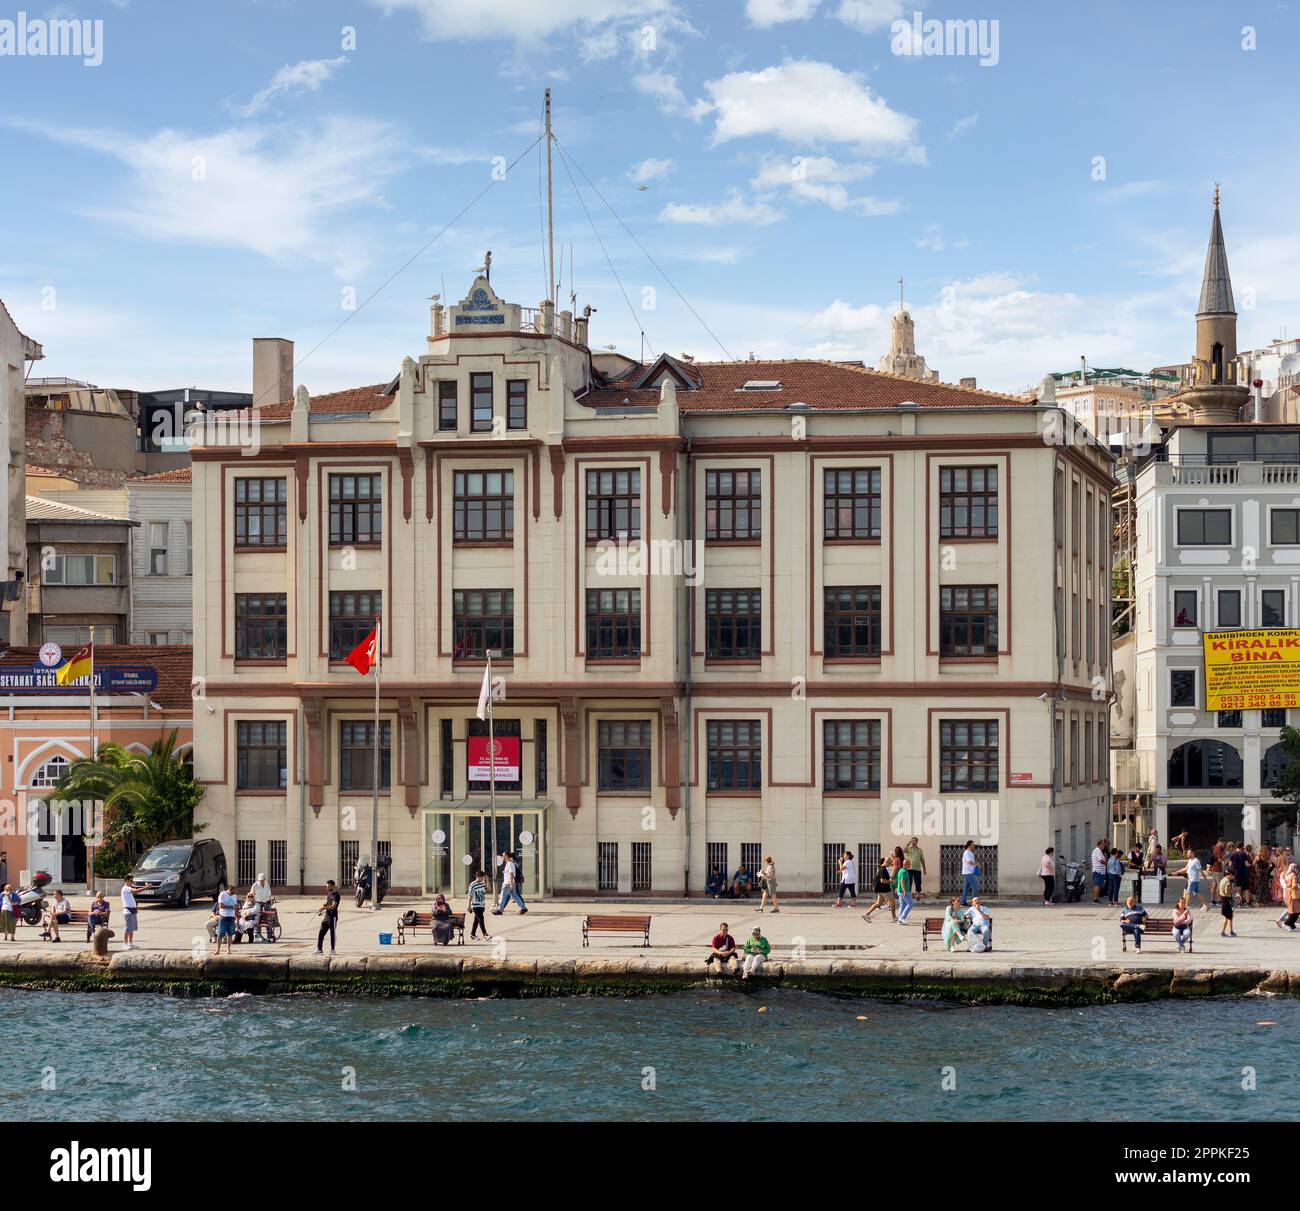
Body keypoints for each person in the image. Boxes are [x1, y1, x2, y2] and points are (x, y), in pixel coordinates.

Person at [491, 850, 528, 915]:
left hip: (507, 883)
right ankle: (523, 907)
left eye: (503, 855)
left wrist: (510, 884)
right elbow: (510, 873)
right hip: (510, 882)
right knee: (515, 895)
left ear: (507, 856)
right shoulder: (510, 863)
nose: (502, 856)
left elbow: (511, 874)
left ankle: (500, 909)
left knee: (503, 896)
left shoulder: (509, 864)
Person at [862, 855, 896, 922]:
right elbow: (882, 880)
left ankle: (866, 914)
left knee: (879, 903)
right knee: (892, 902)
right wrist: (891, 881)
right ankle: (894, 917)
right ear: (886, 862)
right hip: (884, 888)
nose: (890, 865)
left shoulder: (882, 868)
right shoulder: (883, 869)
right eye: (889, 863)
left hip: (881, 889)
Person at [316, 879, 341, 954]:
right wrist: (323, 906)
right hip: (327, 916)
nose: (327, 888)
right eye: (326, 886)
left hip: (333, 917)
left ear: (333, 886)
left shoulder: (337, 895)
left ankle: (332, 950)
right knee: (321, 932)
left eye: (328, 886)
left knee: (332, 933)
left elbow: (333, 906)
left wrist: (324, 908)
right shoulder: (329, 894)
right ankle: (319, 949)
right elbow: (328, 903)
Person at [213, 882, 239, 953]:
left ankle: (228, 949)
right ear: (229, 890)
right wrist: (231, 906)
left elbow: (235, 906)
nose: (234, 893)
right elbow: (221, 906)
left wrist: (237, 917)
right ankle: (218, 950)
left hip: (231, 917)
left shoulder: (234, 896)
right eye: (233, 891)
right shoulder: (223, 894)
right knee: (220, 934)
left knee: (230, 934)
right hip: (223, 916)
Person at [467, 869, 491, 940]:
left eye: (483, 877)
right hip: (475, 905)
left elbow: (489, 889)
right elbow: (470, 895)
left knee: (476, 920)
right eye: (482, 877)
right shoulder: (472, 885)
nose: (482, 878)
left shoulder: (482, 884)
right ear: (478, 876)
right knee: (481, 918)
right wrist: (468, 906)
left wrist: (487, 880)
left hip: (482, 905)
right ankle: (485, 934)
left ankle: (472, 934)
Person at [904, 837, 927, 902]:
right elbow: (903, 850)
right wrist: (908, 844)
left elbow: (922, 859)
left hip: (917, 869)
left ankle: (918, 895)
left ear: (917, 842)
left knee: (918, 882)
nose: (913, 842)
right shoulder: (908, 848)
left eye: (914, 840)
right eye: (912, 840)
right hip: (909, 868)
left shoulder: (920, 850)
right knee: (909, 882)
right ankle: (908, 895)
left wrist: (924, 869)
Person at [1278, 864, 1300, 931]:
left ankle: (1292, 926)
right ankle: (1287, 923)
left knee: (1292, 910)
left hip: (1289, 893)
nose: (1297, 870)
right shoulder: (1294, 875)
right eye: (1296, 868)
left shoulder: (1288, 874)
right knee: (1296, 911)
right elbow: (1294, 885)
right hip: (1293, 895)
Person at [121, 875, 140, 950]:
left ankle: (130, 943)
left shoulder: (129, 888)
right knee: (128, 929)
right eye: (131, 881)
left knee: (131, 929)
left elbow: (134, 890)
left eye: (132, 881)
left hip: (132, 911)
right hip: (128, 911)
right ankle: (125, 944)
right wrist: (146, 888)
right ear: (126, 881)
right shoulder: (125, 888)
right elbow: (136, 891)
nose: (132, 882)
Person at [894, 853, 912, 923]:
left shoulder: (900, 870)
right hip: (904, 891)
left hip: (899, 890)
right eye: (909, 864)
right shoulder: (904, 872)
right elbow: (902, 881)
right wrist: (905, 891)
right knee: (910, 904)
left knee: (902, 905)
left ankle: (899, 920)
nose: (910, 865)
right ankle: (902, 917)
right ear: (906, 864)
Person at [960, 840, 979, 906]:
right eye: (973, 845)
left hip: (969, 872)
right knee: (975, 887)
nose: (974, 846)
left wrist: (975, 865)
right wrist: (976, 864)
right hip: (968, 872)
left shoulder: (971, 853)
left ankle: (963, 901)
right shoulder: (967, 852)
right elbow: (969, 862)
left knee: (966, 888)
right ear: (969, 845)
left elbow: (971, 862)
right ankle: (975, 903)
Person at [1090, 838, 1108, 903]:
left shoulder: (1097, 851)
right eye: (1103, 845)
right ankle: (1095, 899)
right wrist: (1106, 863)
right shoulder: (1097, 851)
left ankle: (1096, 898)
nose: (1104, 846)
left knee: (1098, 885)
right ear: (1100, 844)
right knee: (1097, 885)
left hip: (1099, 871)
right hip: (1098, 871)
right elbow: (1101, 860)